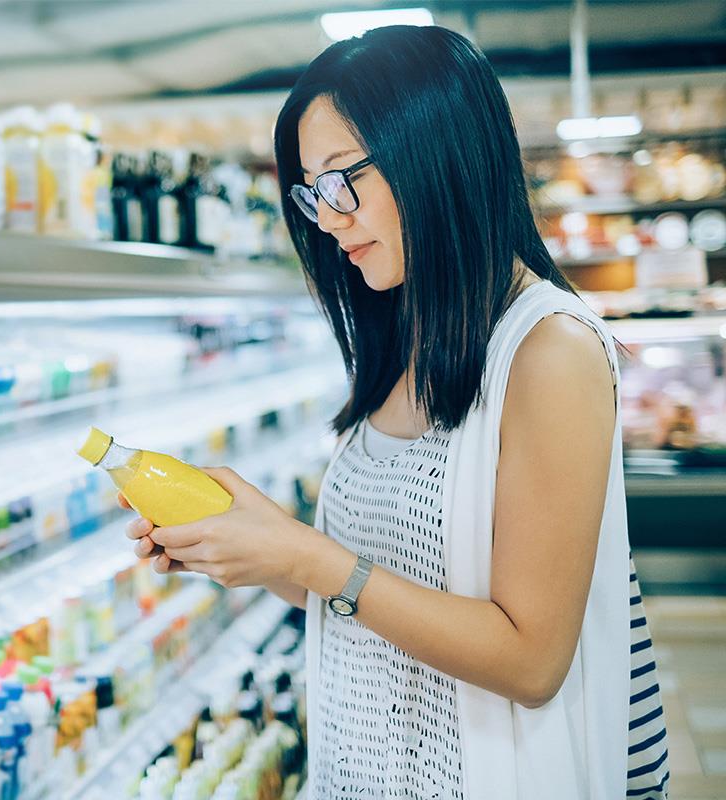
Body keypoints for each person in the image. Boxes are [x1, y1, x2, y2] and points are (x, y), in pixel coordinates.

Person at [122, 25, 668, 800]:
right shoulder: (407, 333)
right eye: (312, 192)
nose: (329, 216)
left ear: (437, 155)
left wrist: (307, 555)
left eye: (344, 178)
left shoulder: (549, 352)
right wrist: (262, 546)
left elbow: (532, 660)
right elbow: (379, 598)